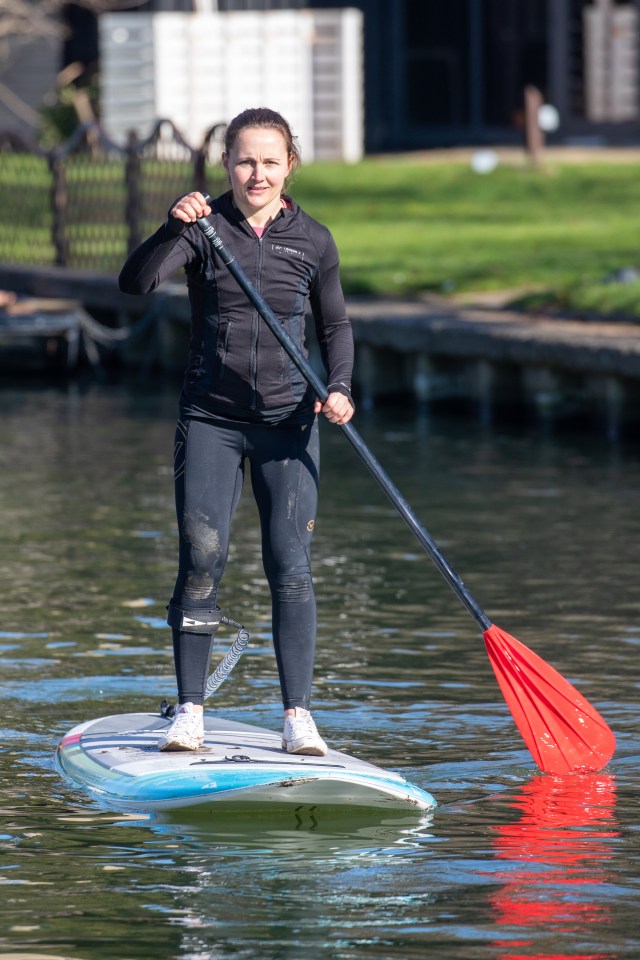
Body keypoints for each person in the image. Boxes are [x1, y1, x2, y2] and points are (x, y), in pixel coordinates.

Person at [119, 107, 354, 756]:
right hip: (211, 420)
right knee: (202, 558)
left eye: (270, 161)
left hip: (287, 423)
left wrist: (339, 387)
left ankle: (297, 717)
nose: (257, 173)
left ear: (290, 166)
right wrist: (173, 223)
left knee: (291, 564)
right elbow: (134, 284)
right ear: (226, 164)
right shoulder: (204, 230)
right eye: (245, 160)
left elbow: (335, 327)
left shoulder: (314, 240)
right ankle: (190, 711)